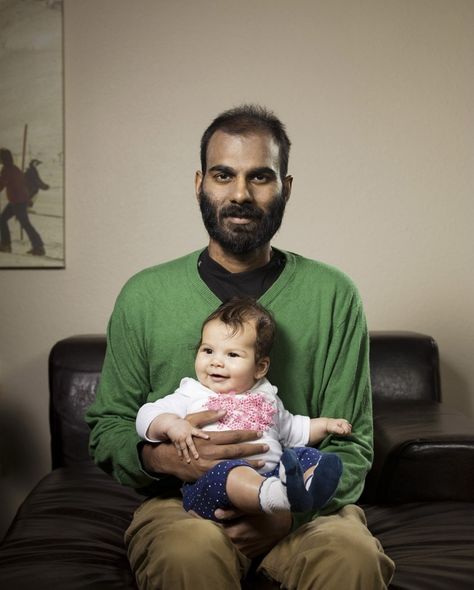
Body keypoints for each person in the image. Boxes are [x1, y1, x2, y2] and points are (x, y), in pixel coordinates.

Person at [86, 104, 395, 589]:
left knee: (351, 556)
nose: (240, 194)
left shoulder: (334, 295)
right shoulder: (144, 295)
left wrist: (286, 515)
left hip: (304, 506)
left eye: (261, 177)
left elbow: (351, 444)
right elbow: (108, 428)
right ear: (199, 183)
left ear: (285, 188)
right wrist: (163, 458)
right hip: (183, 505)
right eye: (223, 174)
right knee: (187, 554)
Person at [136, 297, 350, 520]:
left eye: (232, 355)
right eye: (208, 351)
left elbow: (293, 429)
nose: (216, 362)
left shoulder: (267, 396)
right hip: (213, 482)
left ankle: (306, 488)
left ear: (260, 367)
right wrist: (171, 425)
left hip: (273, 475)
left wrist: (325, 425)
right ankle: (277, 497)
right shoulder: (193, 392)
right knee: (232, 472)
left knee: (306, 455)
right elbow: (146, 415)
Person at [0, 148, 45, 256]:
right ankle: (6, 245)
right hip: (19, 200)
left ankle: (38, 247)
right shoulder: (15, 168)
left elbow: (1, 184)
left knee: (25, 223)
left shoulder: (7, 169)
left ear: (3, 159)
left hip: (17, 201)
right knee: (3, 219)